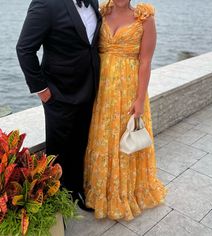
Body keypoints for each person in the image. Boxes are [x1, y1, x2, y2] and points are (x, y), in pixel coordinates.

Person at [83, 0, 167, 220]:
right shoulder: (101, 13)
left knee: (123, 140)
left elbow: (145, 61)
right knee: (102, 138)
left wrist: (140, 99)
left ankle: (124, 194)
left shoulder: (144, 18)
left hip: (128, 90)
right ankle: (101, 190)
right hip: (101, 90)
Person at [16, 0, 101, 211]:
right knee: (58, 150)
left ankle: (76, 191)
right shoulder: (46, 4)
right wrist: (42, 91)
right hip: (59, 93)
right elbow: (24, 49)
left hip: (89, 89)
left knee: (81, 143)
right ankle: (54, 202)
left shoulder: (93, 2)